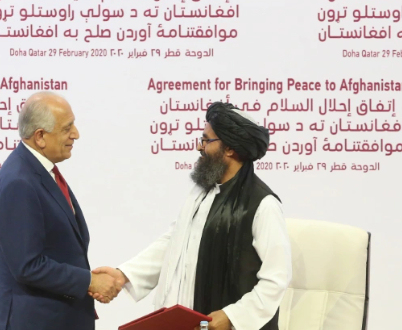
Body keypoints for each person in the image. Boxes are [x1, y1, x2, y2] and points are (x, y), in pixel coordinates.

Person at [93, 102, 292, 330]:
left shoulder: (263, 204)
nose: (200, 146)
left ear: (230, 149)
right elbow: (175, 242)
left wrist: (232, 317)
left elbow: (276, 279)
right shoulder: (201, 192)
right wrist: (123, 275)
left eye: (207, 140)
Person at [0, 92, 122, 330]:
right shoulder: (19, 182)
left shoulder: (38, 171)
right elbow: (27, 266)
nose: (76, 134)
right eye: (67, 128)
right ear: (40, 136)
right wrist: (89, 281)